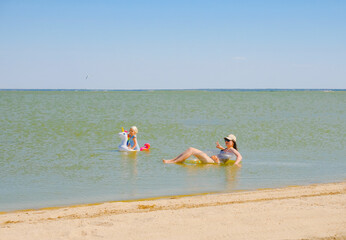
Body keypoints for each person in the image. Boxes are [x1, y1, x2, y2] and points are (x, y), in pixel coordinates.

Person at [163, 134, 242, 166]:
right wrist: (220, 147)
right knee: (190, 149)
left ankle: (174, 162)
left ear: (233, 142)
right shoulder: (227, 149)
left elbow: (239, 156)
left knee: (191, 149)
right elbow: (225, 151)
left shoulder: (232, 149)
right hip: (210, 159)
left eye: (228, 140)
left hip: (213, 162)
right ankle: (172, 160)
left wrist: (236, 164)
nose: (226, 141)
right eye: (225, 140)